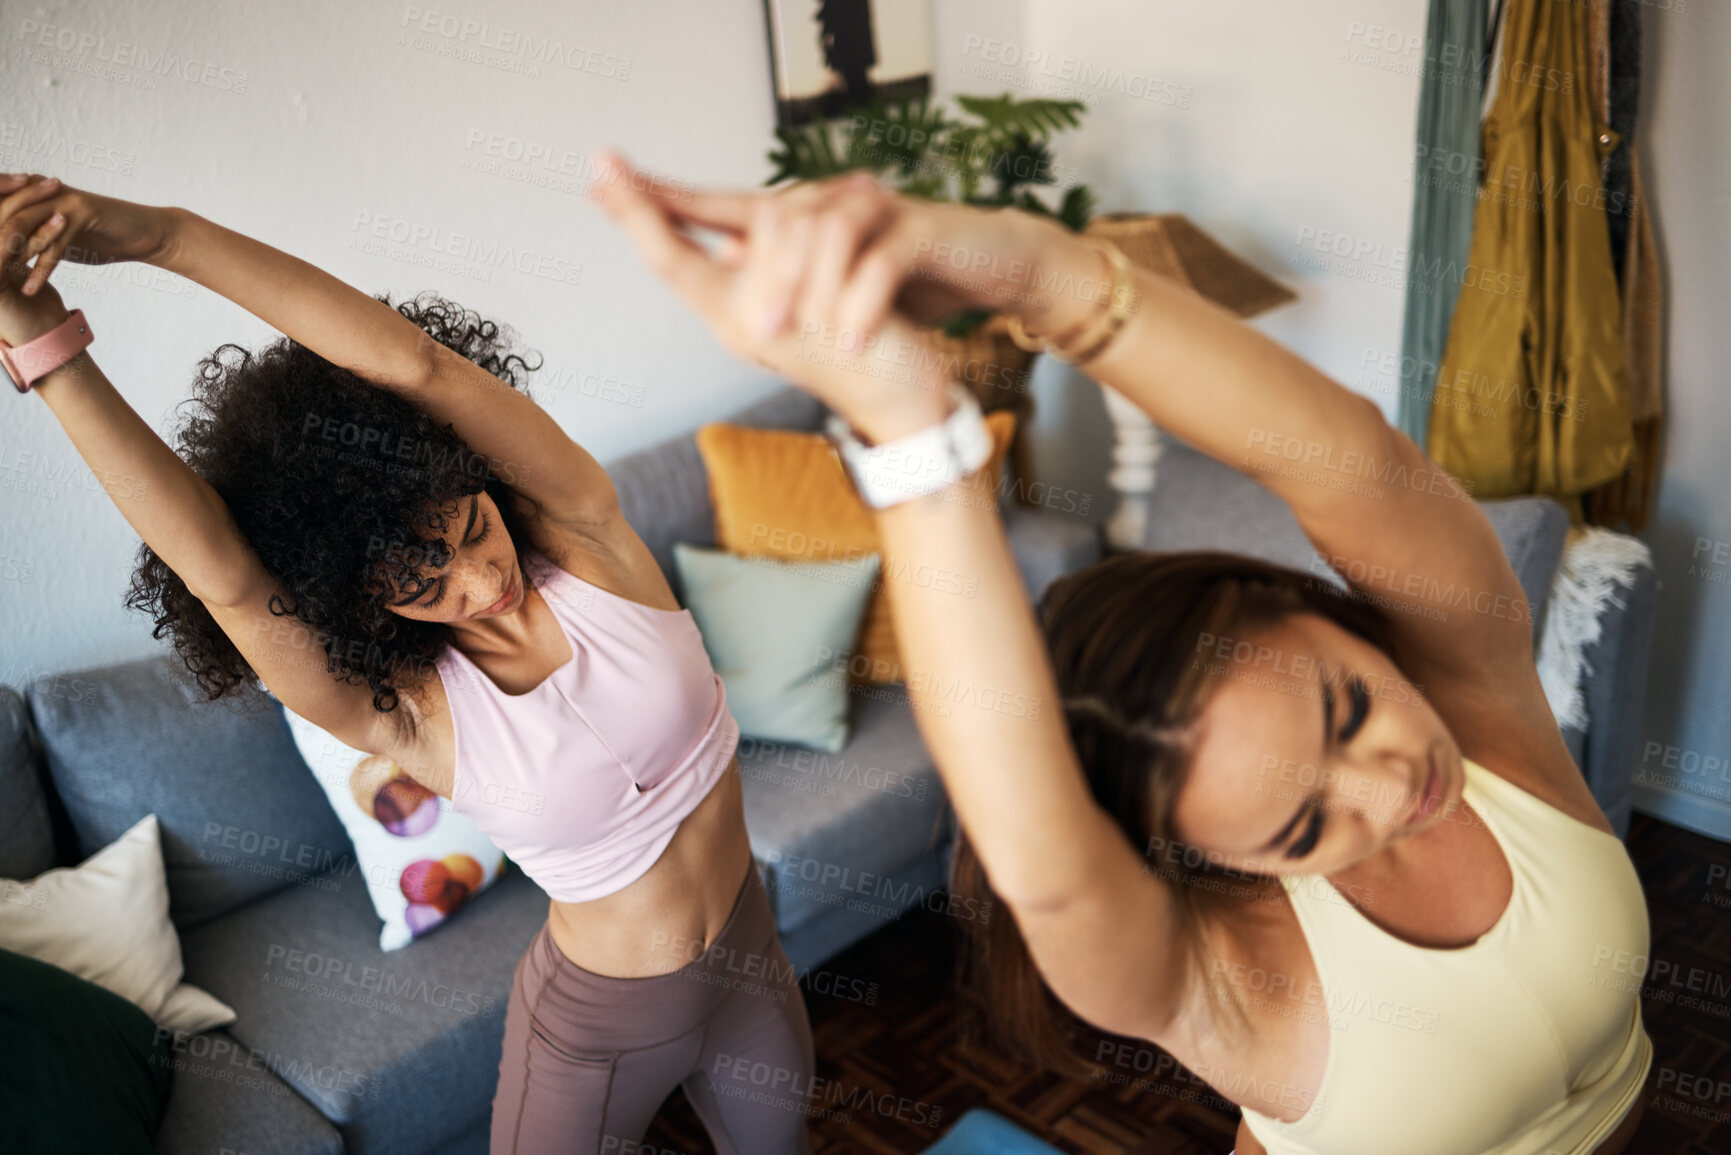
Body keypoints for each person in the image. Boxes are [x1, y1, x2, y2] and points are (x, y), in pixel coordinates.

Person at [591, 152, 1654, 1155]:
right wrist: (909, 430)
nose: (1390, 787)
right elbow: (1043, 862)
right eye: (1300, 826)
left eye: (1348, 708)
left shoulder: (1480, 712)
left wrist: (1044, 275)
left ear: (1333, 617)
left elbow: (1352, 465)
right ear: (1212, 859)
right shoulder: (1208, 979)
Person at [0, 171, 815, 1155]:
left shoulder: (590, 538)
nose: (480, 581)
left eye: (473, 529)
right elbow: (225, 577)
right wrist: (42, 341)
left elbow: (420, 371)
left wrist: (162, 236)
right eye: (424, 583)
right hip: (599, 1033)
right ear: (359, 599)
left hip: (752, 960)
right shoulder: (405, 711)